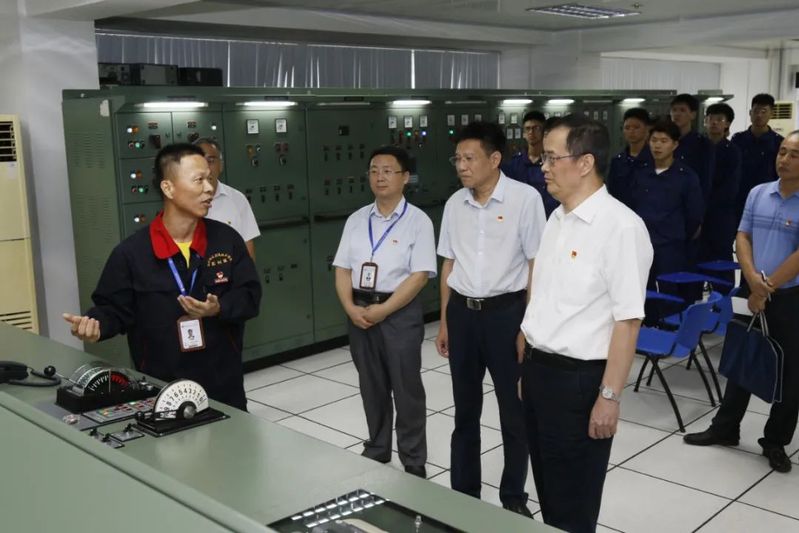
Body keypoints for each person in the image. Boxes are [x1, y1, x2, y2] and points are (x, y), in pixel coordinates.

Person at [520, 114, 653, 533]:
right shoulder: (557, 218)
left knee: (573, 505)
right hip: (540, 371)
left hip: (580, 383)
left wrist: (609, 397)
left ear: (585, 162)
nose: (543, 167)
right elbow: (543, 294)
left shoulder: (621, 228)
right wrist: (529, 363)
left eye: (551, 157)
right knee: (548, 491)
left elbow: (627, 321)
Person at [62, 143, 261, 410]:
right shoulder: (132, 253)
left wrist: (219, 308)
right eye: (198, 180)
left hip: (223, 383)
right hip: (162, 388)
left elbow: (250, 296)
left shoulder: (226, 240)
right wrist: (94, 324)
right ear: (168, 188)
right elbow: (113, 309)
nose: (209, 188)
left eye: (210, 178)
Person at [435, 121, 545, 517]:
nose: (461, 166)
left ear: (495, 159)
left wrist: (528, 328)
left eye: (469, 158)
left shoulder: (525, 199)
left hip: (507, 316)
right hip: (463, 315)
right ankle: (463, 493)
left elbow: (536, 265)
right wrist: (445, 321)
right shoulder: (454, 203)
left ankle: (513, 496)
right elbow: (449, 264)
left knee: (513, 412)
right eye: (457, 159)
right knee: (465, 410)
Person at [684, 131, 799, 474]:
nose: (784, 159)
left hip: (789, 296)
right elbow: (743, 235)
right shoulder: (758, 192)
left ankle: (775, 441)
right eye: (782, 152)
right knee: (743, 358)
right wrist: (751, 279)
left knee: (790, 372)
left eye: (794, 155)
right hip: (751, 290)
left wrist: (767, 288)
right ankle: (725, 428)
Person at [333, 145, 436, 479]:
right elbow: (342, 268)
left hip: (399, 312)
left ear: (405, 178)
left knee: (406, 387)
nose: (379, 176)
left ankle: (413, 455)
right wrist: (350, 307)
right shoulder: (356, 219)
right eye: (374, 170)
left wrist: (385, 310)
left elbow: (419, 276)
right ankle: (378, 446)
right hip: (360, 309)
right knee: (371, 384)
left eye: (388, 171)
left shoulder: (418, 221)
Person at [632, 121, 704, 288]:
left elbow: (694, 216)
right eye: (654, 140)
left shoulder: (686, 176)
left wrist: (679, 235)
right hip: (642, 244)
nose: (657, 145)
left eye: (664, 141)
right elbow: (632, 205)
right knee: (643, 292)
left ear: (675, 145)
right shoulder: (640, 173)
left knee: (670, 293)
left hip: (671, 247)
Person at [194, 138, 260, 260]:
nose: (206, 167)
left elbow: (248, 249)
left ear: (221, 165)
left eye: (211, 160)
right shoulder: (184, 202)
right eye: (200, 161)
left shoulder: (238, 200)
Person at [699, 103, 742, 274]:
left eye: (719, 119)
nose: (714, 123)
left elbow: (731, 187)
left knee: (721, 259)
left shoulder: (733, 151)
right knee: (697, 259)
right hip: (698, 214)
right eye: (710, 119)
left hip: (721, 215)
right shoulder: (698, 147)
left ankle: (723, 291)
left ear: (727, 124)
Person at [731, 93, 784, 224]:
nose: (759, 115)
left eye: (764, 111)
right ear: (750, 113)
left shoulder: (779, 142)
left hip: (767, 197)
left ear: (771, 114)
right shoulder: (738, 139)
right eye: (756, 111)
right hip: (740, 197)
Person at [501, 111, 559, 217]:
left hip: (549, 217)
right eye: (527, 128)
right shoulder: (513, 164)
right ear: (523, 133)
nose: (531, 132)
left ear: (543, 132)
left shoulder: (553, 163)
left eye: (536, 128)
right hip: (520, 217)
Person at [670, 93, 715, 206]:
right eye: (674, 110)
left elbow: (706, 181)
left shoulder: (703, 144)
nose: (677, 114)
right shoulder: (665, 141)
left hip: (691, 201)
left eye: (682, 110)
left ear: (693, 114)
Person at [607, 107, 653, 209]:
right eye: (627, 128)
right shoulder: (617, 161)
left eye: (636, 127)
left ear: (647, 129)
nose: (631, 131)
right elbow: (612, 191)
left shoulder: (655, 160)